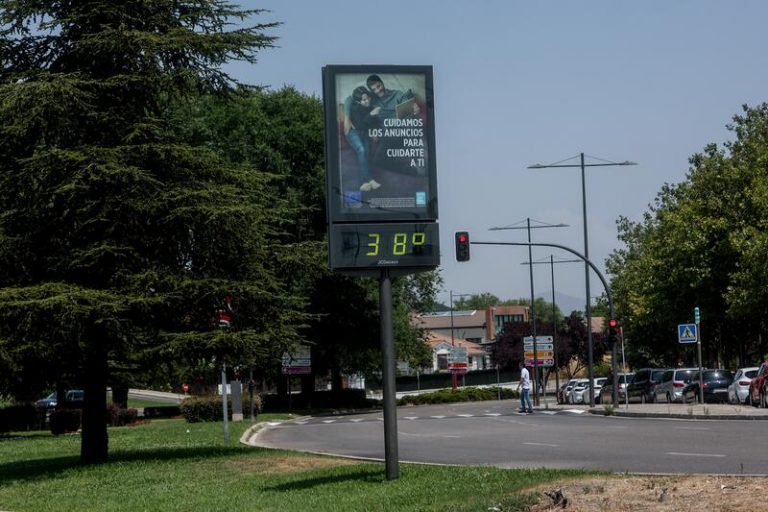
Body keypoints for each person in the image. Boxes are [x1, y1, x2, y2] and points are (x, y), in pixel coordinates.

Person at [343, 86, 381, 192]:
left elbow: (374, 122)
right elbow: (359, 124)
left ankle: (364, 183)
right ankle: (369, 180)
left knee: (366, 153)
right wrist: (371, 114)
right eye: (364, 100)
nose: (367, 101)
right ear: (359, 101)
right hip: (353, 132)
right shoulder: (355, 108)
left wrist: (375, 131)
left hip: (364, 132)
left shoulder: (371, 105)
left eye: (367, 98)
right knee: (361, 150)